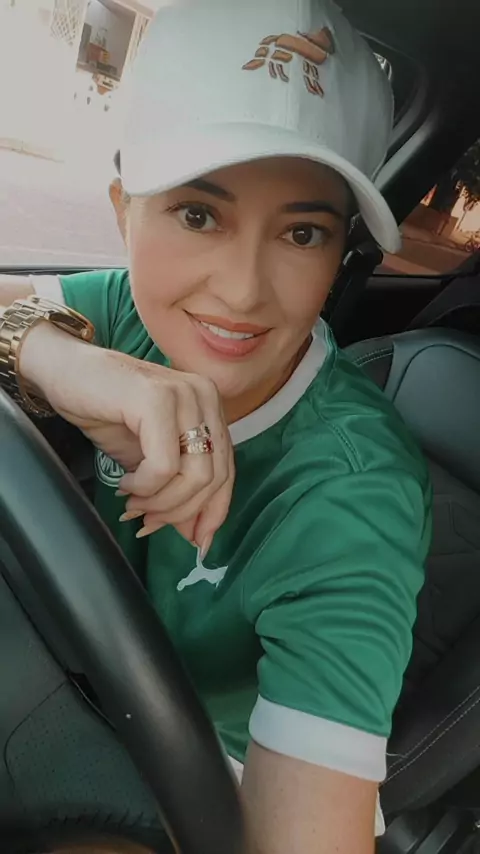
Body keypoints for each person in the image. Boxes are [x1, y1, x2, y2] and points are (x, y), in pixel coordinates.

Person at [0, 1, 432, 852]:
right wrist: (56, 357)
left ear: (340, 252)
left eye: (301, 232)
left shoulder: (355, 496)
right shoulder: (125, 316)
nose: (240, 291)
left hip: (206, 772)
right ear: (124, 211)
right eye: (199, 215)